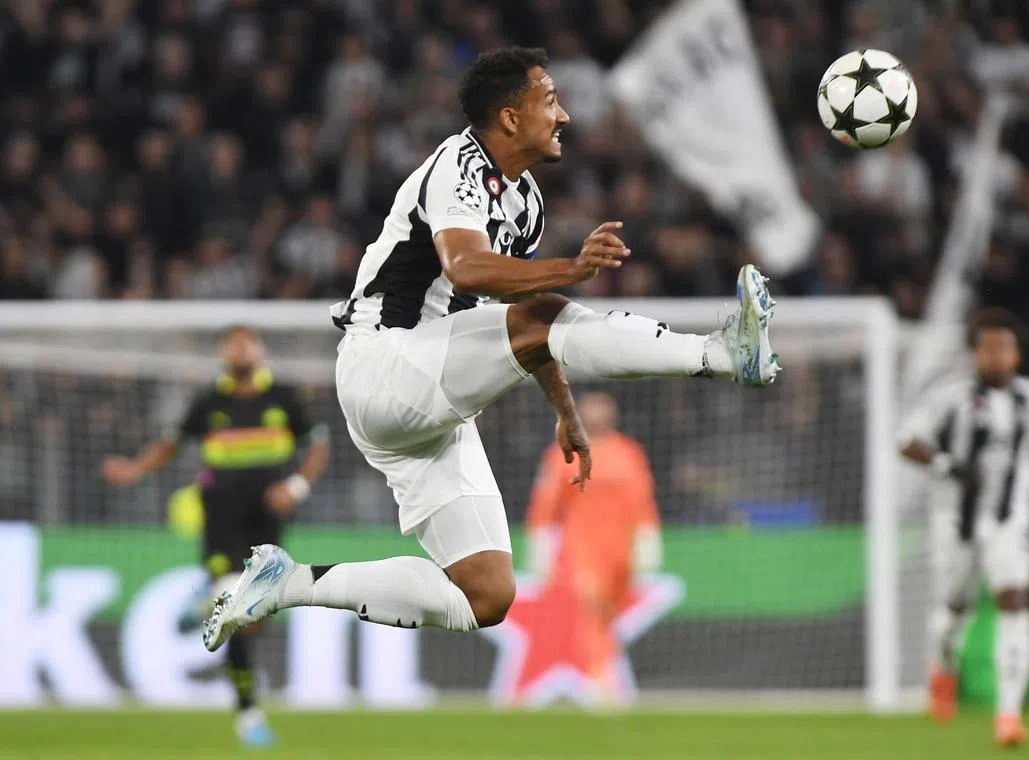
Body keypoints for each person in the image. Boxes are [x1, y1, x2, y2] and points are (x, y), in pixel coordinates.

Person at [201, 47, 779, 661]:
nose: (564, 116)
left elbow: (514, 312)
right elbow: (468, 268)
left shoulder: (526, 204)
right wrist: (574, 268)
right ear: (509, 116)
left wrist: (565, 410)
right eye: (549, 100)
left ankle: (287, 584)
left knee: (486, 594)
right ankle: (720, 354)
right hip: (385, 365)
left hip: (429, 402)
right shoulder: (458, 165)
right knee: (544, 314)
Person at [103, 325, 329, 747]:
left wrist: (296, 487)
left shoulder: (283, 397)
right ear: (225, 354)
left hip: (267, 523)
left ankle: (210, 603)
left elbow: (318, 445)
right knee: (237, 609)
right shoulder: (209, 401)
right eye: (232, 344)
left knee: (253, 619)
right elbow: (171, 444)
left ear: (260, 350)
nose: (239, 350)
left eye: (246, 343)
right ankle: (249, 714)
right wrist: (135, 469)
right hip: (222, 521)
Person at [898, 308, 1029, 747]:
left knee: (1014, 600)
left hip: (1010, 520)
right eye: (987, 348)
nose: (995, 356)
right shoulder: (948, 398)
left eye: (1003, 347)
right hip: (956, 521)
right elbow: (907, 442)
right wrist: (948, 465)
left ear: (1017, 354)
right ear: (974, 353)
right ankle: (943, 666)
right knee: (955, 608)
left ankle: (1008, 715)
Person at [526, 391, 662, 706]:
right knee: (592, 608)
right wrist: (540, 547)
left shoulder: (628, 452)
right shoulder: (562, 453)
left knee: (608, 615)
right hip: (581, 549)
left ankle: (605, 674)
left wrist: (647, 540)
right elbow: (545, 503)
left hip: (621, 550)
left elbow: (642, 500)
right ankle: (602, 682)